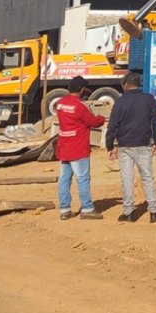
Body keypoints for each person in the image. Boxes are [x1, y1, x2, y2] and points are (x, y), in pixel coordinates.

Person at [105, 71, 156, 223]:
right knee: (147, 178)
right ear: (139, 84)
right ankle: (154, 211)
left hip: (125, 145)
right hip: (143, 144)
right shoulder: (148, 99)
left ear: (125, 85)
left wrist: (109, 145)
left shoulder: (120, 101)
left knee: (127, 178)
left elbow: (113, 125)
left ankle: (129, 212)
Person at [55, 75, 105, 220]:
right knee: (82, 178)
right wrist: (101, 118)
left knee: (64, 178)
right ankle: (87, 208)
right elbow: (93, 122)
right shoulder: (79, 106)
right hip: (78, 147)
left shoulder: (59, 103)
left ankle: (65, 209)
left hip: (64, 146)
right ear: (82, 89)